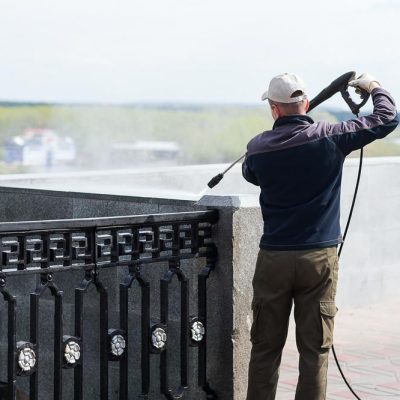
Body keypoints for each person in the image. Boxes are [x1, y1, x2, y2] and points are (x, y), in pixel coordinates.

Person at [242, 72, 398, 400]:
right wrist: (373, 87)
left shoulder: (257, 148)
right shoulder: (330, 136)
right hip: (319, 260)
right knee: (314, 352)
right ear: (307, 104)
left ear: (274, 109)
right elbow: (387, 118)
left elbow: (250, 174)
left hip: (274, 259)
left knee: (264, 349)